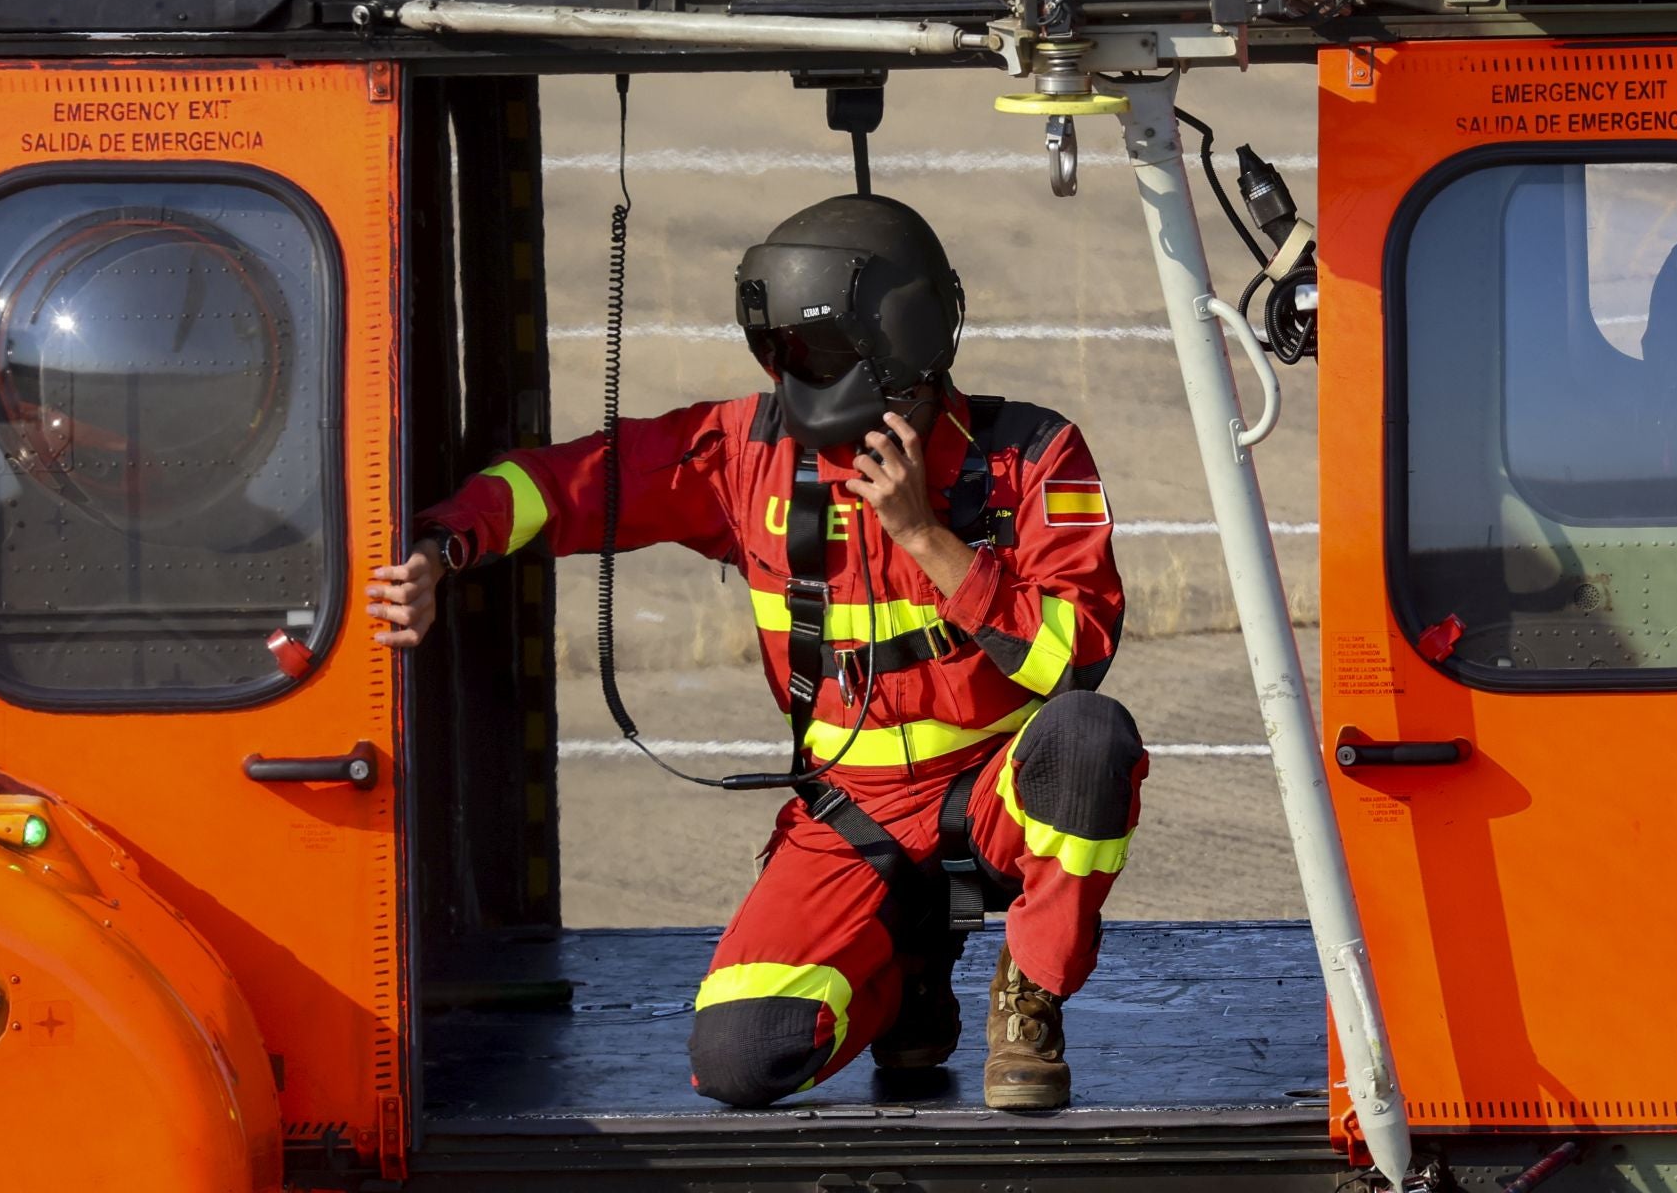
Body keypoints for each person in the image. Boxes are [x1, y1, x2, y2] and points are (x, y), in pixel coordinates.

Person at [370, 194, 1148, 1111]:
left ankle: (1031, 989)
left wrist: (927, 538)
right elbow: (569, 482)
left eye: (809, 351)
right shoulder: (747, 452)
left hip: (996, 788)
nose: (790, 373)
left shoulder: (1032, 455)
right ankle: (906, 972)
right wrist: (441, 548)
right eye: (777, 350)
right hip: (851, 814)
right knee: (742, 1061)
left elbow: (1074, 658)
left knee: (1091, 737)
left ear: (896, 341)